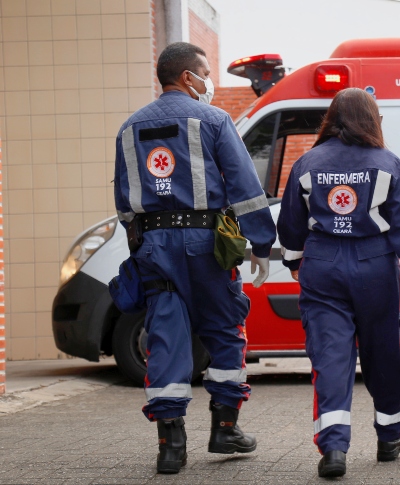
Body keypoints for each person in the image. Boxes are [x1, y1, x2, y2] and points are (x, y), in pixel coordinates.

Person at [113, 42, 277, 474]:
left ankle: (171, 447)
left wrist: (144, 247)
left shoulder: (129, 129)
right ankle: (224, 429)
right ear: (189, 77)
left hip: (153, 245)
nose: (209, 81)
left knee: (165, 334)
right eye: (205, 72)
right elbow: (244, 186)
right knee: (225, 328)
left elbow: (124, 205)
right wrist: (260, 243)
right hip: (206, 244)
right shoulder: (214, 120)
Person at [277, 88, 400, 478]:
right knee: (382, 354)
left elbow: (291, 223)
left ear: (332, 118)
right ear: (371, 119)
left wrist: (295, 260)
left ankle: (333, 448)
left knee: (331, 356)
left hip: (323, 265)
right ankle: (391, 435)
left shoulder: (307, 163)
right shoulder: (388, 164)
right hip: (375, 267)